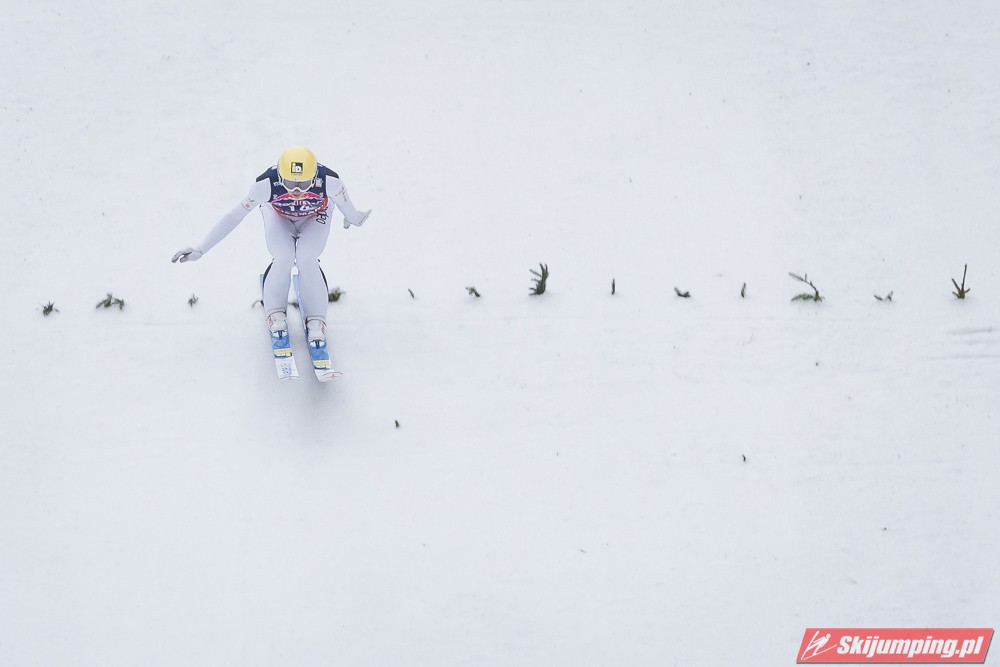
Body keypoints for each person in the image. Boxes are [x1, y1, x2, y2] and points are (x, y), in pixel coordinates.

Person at [172, 145, 370, 348]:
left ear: (314, 176)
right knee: (283, 257)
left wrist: (354, 217)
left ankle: (316, 319)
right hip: (278, 215)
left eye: (303, 184)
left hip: (315, 215)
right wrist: (201, 249)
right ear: (279, 176)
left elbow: (347, 206)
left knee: (307, 258)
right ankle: (275, 313)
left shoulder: (330, 181)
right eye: (289, 183)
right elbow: (234, 216)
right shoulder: (265, 184)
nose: (296, 191)